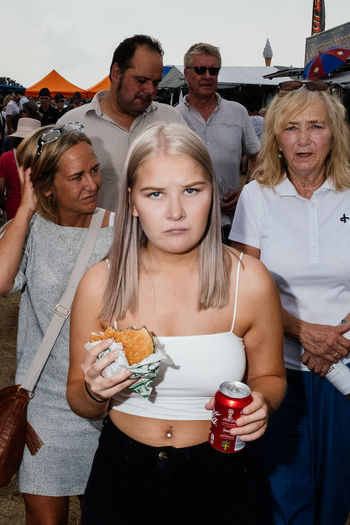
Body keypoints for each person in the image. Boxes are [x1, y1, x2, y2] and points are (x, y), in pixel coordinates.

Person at [67, 122, 286, 524]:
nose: (176, 212)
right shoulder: (100, 283)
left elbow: (270, 375)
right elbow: (79, 401)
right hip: (122, 472)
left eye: (191, 190)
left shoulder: (249, 280)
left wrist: (262, 403)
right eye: (155, 194)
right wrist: (96, 392)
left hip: (221, 473)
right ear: (132, 201)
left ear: (213, 193)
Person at [229, 80, 350, 525]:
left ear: (334, 133)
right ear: (275, 137)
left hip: (346, 372)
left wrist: (338, 341)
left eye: (316, 126)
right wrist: (307, 334)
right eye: (291, 127)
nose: (303, 139)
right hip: (277, 371)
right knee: (285, 500)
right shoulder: (256, 198)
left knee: (336, 498)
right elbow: (245, 291)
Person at [0, 124, 114, 525]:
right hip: (45, 407)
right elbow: (1, 281)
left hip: (111, 404)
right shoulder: (27, 231)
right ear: (46, 185)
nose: (93, 183)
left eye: (95, 170)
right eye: (77, 176)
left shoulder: (121, 232)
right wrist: (24, 209)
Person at [57, 34, 184, 212]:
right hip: (92, 236)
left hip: (157, 237)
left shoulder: (172, 119)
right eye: (141, 81)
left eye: (155, 83)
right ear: (116, 73)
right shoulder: (72, 124)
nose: (150, 90)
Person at [176, 43, 260, 241]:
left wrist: (248, 189)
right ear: (187, 74)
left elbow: (259, 156)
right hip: (187, 222)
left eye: (213, 71)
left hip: (232, 223)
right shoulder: (173, 117)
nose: (207, 76)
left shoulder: (237, 112)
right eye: (200, 70)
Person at [0, 117, 41, 220]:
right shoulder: (43, 157)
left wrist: (4, 203)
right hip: (39, 207)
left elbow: (0, 188)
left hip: (14, 207)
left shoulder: (6, 157)